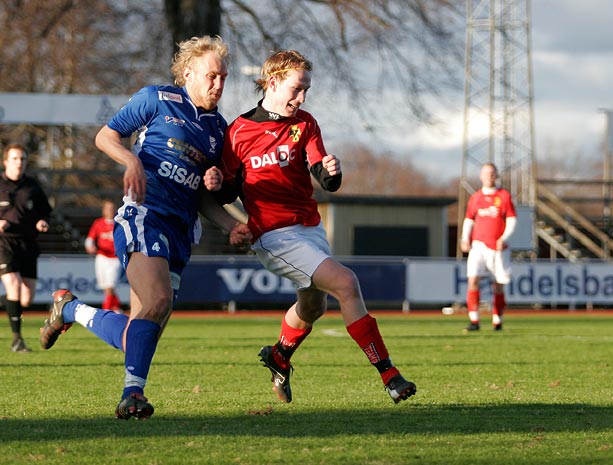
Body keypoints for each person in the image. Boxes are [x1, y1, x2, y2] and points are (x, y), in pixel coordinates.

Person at [39, 35, 250, 420]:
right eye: (211, 76)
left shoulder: (219, 129)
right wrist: (131, 162)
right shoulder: (156, 99)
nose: (218, 85)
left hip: (181, 231)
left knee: (140, 331)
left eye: (223, 78)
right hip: (144, 216)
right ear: (188, 73)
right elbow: (106, 136)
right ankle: (131, 396)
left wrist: (231, 224)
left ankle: (70, 311)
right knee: (158, 302)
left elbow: (204, 196)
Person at [213, 49, 416, 404]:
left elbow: (323, 174)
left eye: (306, 89)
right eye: (296, 88)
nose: (301, 97)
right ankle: (389, 375)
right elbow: (227, 189)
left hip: (309, 229)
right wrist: (217, 184)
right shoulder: (238, 132)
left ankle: (279, 355)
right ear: (272, 82)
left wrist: (332, 172)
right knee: (346, 283)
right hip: (273, 235)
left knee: (312, 308)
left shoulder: (305, 123)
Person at [0, 143, 52, 353]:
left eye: (22, 159)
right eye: (15, 158)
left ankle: (11, 309)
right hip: (4, 241)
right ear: (5, 162)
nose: (19, 163)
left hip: (28, 243)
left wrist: (43, 221)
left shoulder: (33, 187)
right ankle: (17, 340)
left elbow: (45, 212)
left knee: (26, 297)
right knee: (13, 284)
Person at [460, 162, 517, 332]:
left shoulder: (504, 196)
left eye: (492, 173)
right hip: (478, 246)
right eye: (486, 173)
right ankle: (474, 320)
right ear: (481, 176)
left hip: (498, 248)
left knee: (498, 285)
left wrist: (504, 237)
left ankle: (497, 320)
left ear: (496, 175)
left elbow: (512, 220)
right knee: (473, 280)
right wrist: (464, 239)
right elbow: (469, 220)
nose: (489, 176)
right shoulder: (475, 197)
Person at [84, 200, 122, 312]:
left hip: (115, 259)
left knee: (110, 286)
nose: (110, 210)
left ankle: (106, 310)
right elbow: (90, 239)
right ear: (103, 210)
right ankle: (116, 307)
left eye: (112, 208)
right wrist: (89, 246)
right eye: (107, 208)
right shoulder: (98, 223)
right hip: (101, 258)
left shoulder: (119, 223)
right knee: (106, 288)